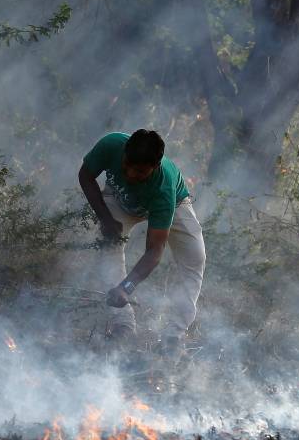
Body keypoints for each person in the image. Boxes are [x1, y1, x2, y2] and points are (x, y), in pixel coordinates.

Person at [78, 129, 205, 356]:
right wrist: (106, 219)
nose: (129, 174)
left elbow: (155, 249)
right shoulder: (111, 144)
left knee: (195, 257)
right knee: (107, 246)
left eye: (139, 172)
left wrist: (127, 286)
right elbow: (85, 176)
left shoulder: (163, 190)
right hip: (121, 200)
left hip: (174, 205)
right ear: (124, 152)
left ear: (154, 167)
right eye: (127, 164)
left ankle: (173, 337)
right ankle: (123, 326)